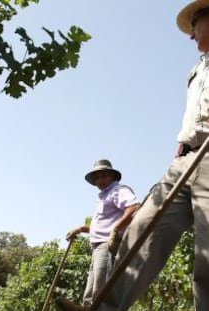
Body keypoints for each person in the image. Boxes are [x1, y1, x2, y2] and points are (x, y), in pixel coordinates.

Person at [57, 1, 209, 310]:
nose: (190, 35)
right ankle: (104, 308)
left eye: (194, 25)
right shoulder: (196, 70)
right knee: (143, 228)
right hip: (183, 161)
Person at [65, 159, 140, 307]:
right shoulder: (104, 197)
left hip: (107, 245)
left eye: (104, 175)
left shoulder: (118, 190)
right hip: (98, 247)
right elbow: (101, 226)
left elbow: (134, 207)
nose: (100, 180)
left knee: (101, 291)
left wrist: (116, 229)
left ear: (112, 176)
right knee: (90, 293)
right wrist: (80, 229)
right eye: (97, 177)